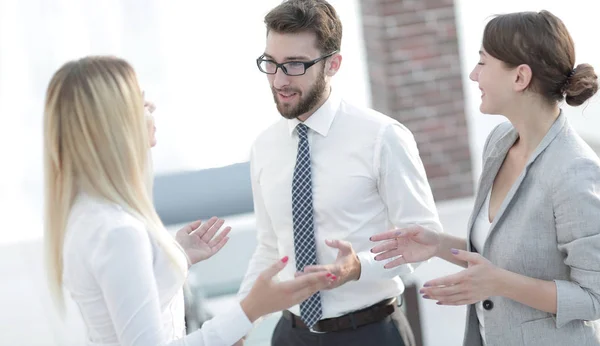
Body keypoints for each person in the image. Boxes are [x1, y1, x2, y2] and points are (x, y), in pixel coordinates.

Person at [43, 55, 336, 346]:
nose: (152, 108)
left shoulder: (85, 216)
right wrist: (250, 311)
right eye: (140, 102)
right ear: (113, 124)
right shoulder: (119, 232)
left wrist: (177, 258)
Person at [371, 10, 600, 346]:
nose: (473, 75)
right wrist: (438, 244)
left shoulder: (574, 171)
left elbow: (593, 298)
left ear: (520, 77)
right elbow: (501, 258)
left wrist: (499, 284)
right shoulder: (500, 141)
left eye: (483, 63)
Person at [236, 1, 442, 345]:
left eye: (295, 65)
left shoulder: (382, 137)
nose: (279, 80)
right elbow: (271, 247)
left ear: (333, 64)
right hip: (290, 334)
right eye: (270, 63)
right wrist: (240, 321)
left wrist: (356, 267)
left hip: (370, 333)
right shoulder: (264, 147)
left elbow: (424, 240)